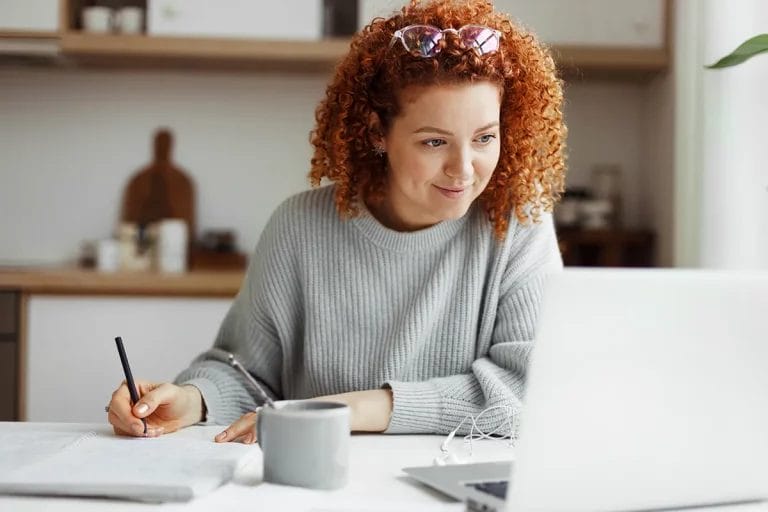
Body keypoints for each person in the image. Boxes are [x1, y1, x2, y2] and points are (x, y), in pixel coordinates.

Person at [106, 0, 566, 443]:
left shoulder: (519, 224)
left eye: (485, 137)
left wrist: (357, 409)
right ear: (375, 132)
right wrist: (193, 400)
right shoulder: (299, 227)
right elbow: (245, 372)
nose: (464, 168)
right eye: (433, 142)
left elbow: (532, 389)